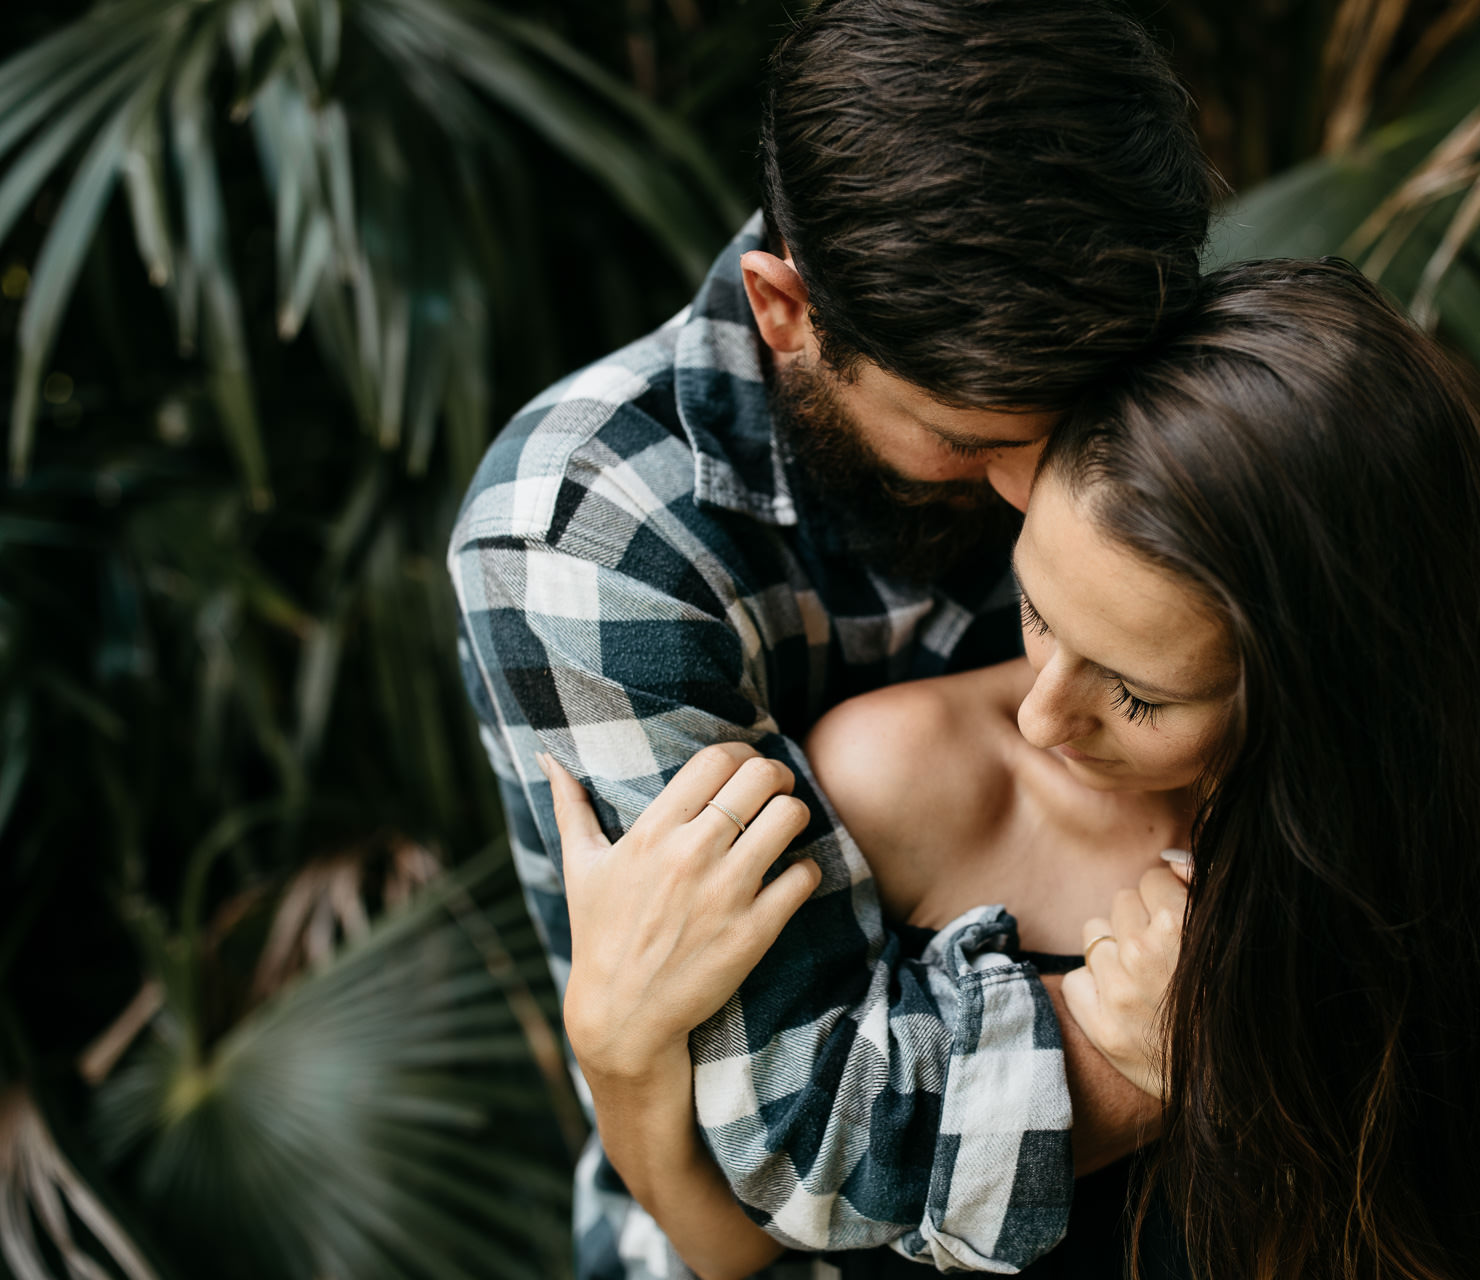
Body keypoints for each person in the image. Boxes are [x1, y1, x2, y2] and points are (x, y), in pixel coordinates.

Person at [542, 259, 1480, 1279]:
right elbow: (735, 1242)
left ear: (1326, 690)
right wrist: (620, 1051)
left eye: (1138, 692)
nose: (1041, 714)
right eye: (1031, 608)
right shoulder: (905, 780)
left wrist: (1258, 1045)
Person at [447, 1, 1214, 1275]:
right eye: (967, 441)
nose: (1034, 495)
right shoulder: (590, 531)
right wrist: (1205, 1027)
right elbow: (818, 1136)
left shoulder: (1127, 350)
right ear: (785, 307)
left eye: (1071, 426)